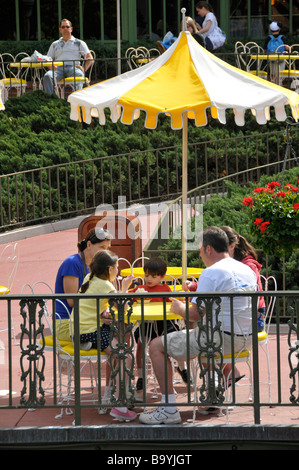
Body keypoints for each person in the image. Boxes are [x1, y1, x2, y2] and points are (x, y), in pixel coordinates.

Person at [139, 227, 256, 425]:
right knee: (200, 339)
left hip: (220, 339)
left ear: (208, 248)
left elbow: (194, 313)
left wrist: (179, 309)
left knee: (156, 346)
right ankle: (212, 395)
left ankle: (168, 409)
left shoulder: (211, 273)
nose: (200, 255)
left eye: (200, 250)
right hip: (247, 338)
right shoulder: (244, 268)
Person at [71, 249, 136, 422]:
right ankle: (120, 402)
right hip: (89, 331)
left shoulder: (89, 278)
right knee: (124, 355)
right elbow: (122, 309)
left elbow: (91, 305)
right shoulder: (107, 286)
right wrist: (124, 288)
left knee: (120, 349)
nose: (118, 271)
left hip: (81, 329)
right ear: (109, 269)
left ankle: (112, 395)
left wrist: (103, 311)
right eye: (116, 267)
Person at [184, 226, 266, 332]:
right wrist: (195, 286)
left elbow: (236, 291)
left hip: (252, 319)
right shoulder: (230, 266)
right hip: (239, 322)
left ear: (231, 246)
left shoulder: (247, 266)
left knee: (197, 314)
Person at [128, 258, 183, 395]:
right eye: (147, 276)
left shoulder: (165, 289)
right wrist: (126, 288)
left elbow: (173, 302)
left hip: (163, 323)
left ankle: (182, 367)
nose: (149, 279)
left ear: (162, 277)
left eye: (154, 276)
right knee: (141, 343)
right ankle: (141, 376)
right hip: (146, 323)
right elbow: (126, 297)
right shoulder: (140, 289)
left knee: (172, 343)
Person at [55, 227, 113, 342]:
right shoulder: (72, 263)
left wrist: (105, 309)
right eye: (102, 247)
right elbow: (72, 301)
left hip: (85, 321)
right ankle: (117, 359)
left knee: (122, 328)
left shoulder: (94, 266)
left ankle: (113, 360)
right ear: (89, 244)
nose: (105, 252)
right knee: (116, 333)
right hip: (67, 324)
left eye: (108, 248)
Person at [43, 18, 94, 95]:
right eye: (63, 27)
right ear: (60, 29)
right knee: (47, 76)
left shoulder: (79, 43)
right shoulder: (55, 44)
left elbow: (90, 58)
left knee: (79, 74)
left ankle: (75, 100)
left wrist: (83, 68)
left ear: (71, 29)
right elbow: (49, 59)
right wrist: (51, 67)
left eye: (67, 26)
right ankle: (50, 100)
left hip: (73, 67)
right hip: (58, 69)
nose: (65, 29)